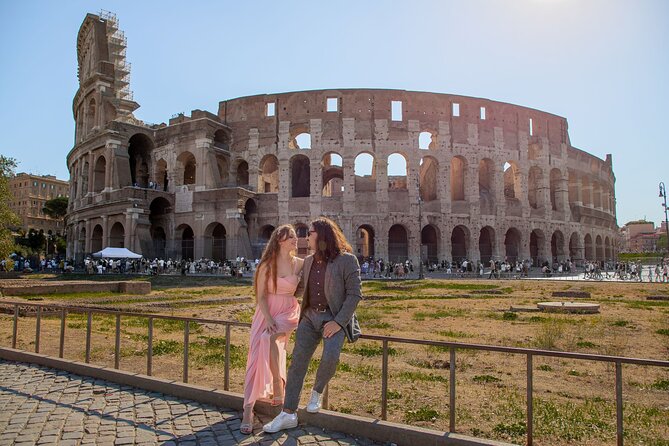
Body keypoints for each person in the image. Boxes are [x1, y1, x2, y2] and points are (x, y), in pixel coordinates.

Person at [263, 217, 362, 433]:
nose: (306, 237)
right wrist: (273, 298)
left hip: (334, 318)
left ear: (322, 235)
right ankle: (288, 413)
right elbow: (299, 290)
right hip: (309, 317)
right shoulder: (307, 261)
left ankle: (317, 392)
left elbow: (355, 295)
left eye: (310, 233)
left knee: (331, 356)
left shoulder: (347, 260)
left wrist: (338, 322)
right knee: (298, 362)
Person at [240, 224, 303, 435]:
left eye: (295, 236)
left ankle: (278, 384)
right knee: (257, 356)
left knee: (270, 339)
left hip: (288, 311)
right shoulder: (267, 265)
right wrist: (267, 318)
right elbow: (260, 296)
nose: (295, 239)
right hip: (267, 313)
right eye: (290, 237)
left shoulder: (299, 264)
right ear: (279, 241)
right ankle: (248, 410)